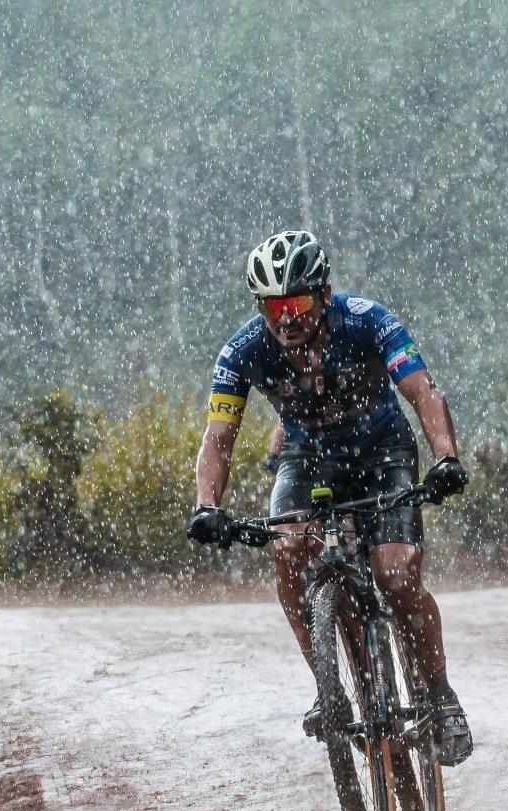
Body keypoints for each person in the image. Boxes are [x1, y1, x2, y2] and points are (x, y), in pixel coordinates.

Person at [187, 230, 472, 766]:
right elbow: (218, 437)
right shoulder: (242, 350)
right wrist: (208, 507)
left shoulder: (367, 320)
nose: (286, 318)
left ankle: (441, 695)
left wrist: (445, 457)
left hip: (382, 449)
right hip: (307, 454)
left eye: (295, 302)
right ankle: (331, 687)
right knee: (289, 549)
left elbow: (422, 391)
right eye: (273, 307)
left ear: (324, 293)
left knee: (396, 571)